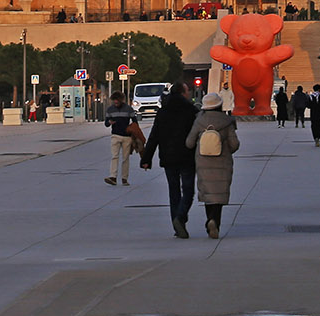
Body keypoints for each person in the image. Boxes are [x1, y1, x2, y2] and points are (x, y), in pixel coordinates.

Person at [140, 80, 199, 237]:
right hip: (187, 156)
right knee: (188, 191)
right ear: (182, 92)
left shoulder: (163, 111)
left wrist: (146, 158)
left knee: (174, 192)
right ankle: (180, 217)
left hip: (168, 157)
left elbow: (154, 136)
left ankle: (176, 224)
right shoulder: (191, 110)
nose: (189, 93)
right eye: (187, 91)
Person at [185, 92, 240, 238]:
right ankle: (215, 221)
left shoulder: (199, 121)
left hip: (203, 162)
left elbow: (189, 143)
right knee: (219, 195)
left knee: (208, 194)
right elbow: (234, 145)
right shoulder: (227, 122)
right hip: (222, 162)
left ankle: (209, 219)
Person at [103, 92, 135, 186]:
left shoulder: (129, 109)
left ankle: (124, 178)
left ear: (121, 100)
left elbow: (135, 121)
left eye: (117, 101)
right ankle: (113, 177)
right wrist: (109, 122)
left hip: (127, 136)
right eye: (114, 101)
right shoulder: (110, 109)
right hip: (115, 136)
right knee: (114, 156)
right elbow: (106, 124)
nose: (116, 102)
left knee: (125, 158)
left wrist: (134, 133)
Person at [308, 83, 320, 147]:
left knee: (314, 126)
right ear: (319, 89)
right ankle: (318, 137)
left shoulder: (311, 96)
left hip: (313, 113)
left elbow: (308, 105)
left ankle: (315, 137)